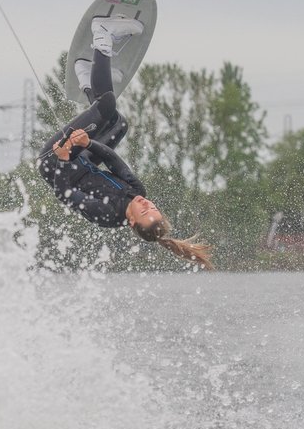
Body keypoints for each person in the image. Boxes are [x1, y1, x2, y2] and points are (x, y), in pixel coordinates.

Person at [37, 15, 213, 270]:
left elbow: (64, 194)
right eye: (152, 207)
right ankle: (86, 75)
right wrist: (87, 144)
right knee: (118, 123)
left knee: (107, 105)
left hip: (54, 163)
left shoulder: (107, 214)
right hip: (82, 159)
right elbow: (112, 159)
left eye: (144, 211)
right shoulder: (137, 191)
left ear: (132, 222)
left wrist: (63, 158)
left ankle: (103, 34)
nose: (146, 203)